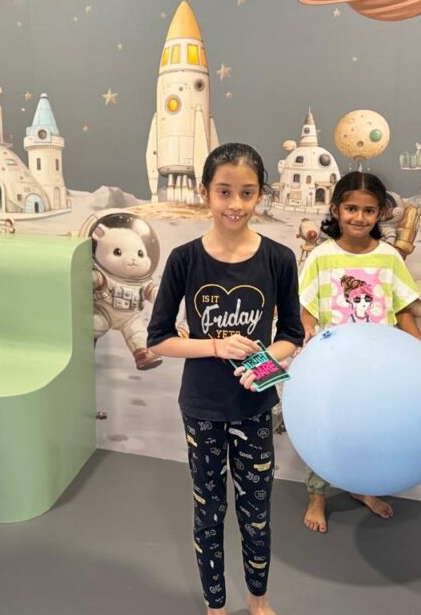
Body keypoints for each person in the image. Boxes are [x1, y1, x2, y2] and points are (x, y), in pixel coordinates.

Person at [148, 143, 303, 615]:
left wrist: (263, 360)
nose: (235, 204)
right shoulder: (184, 259)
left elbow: (291, 335)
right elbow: (159, 339)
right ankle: (215, 605)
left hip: (254, 408)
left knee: (257, 515)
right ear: (205, 193)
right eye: (224, 191)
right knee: (209, 511)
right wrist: (215, 346)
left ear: (261, 194)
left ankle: (258, 599)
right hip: (202, 409)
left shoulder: (279, 258)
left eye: (247, 192)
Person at [270, 171, 421, 534]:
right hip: (334, 365)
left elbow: (402, 309)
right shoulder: (322, 257)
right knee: (327, 428)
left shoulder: (389, 258)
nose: (359, 217)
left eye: (369, 211)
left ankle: (363, 487)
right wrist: (306, 330)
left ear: (381, 213)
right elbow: (305, 306)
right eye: (352, 209)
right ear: (336, 209)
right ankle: (317, 495)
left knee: (370, 427)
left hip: (378, 365)